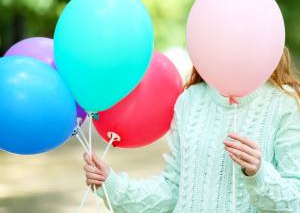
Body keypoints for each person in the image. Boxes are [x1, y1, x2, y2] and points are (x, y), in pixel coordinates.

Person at [83, 46, 300, 212]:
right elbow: (172, 190)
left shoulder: (284, 105)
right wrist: (112, 184)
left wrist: (259, 173)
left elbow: (295, 200)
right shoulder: (190, 100)